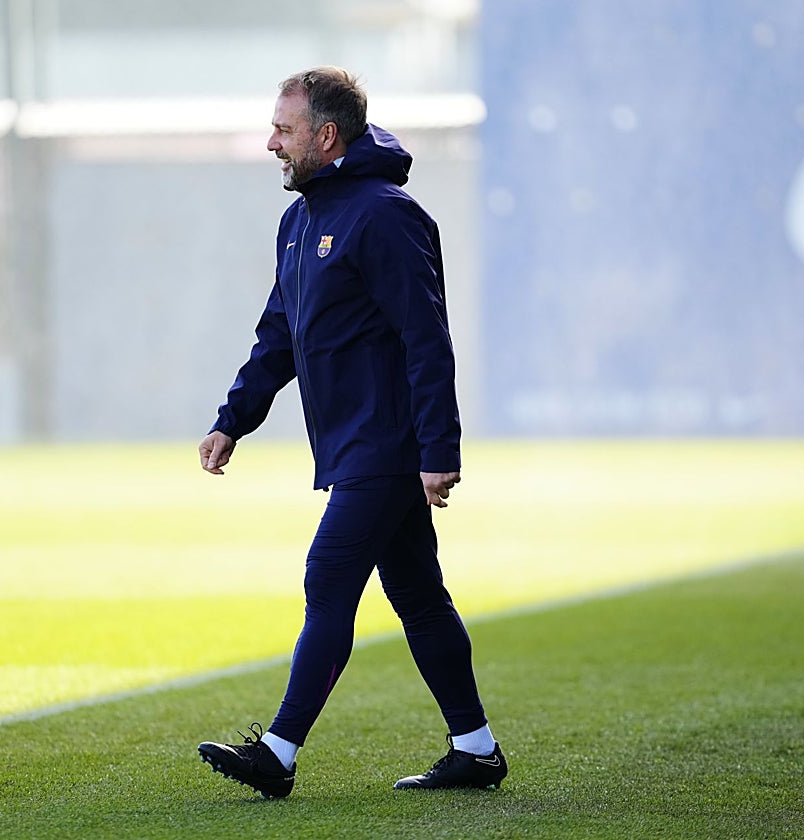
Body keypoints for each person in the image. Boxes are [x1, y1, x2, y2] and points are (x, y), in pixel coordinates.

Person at [196, 66, 505, 799]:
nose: (272, 141)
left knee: (328, 577)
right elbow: (280, 333)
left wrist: (439, 451)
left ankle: (277, 753)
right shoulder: (300, 221)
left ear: (325, 135)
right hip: (354, 446)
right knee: (420, 597)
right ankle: (477, 748)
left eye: (284, 128)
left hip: (387, 445)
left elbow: (427, 339)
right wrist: (233, 419)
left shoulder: (386, 216)